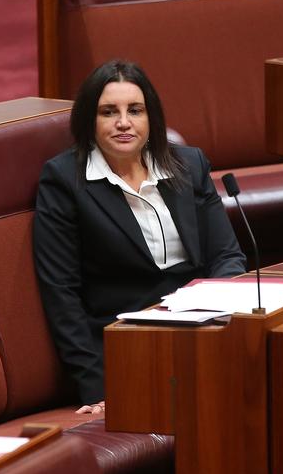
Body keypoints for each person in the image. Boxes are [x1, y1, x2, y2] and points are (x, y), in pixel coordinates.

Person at [33, 60, 246, 414]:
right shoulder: (64, 181)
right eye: (108, 112)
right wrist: (95, 386)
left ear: (151, 118)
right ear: (89, 121)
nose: (123, 122)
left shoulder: (189, 165)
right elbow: (61, 293)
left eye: (135, 110)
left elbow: (227, 256)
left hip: (202, 332)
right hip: (131, 347)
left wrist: (216, 315)